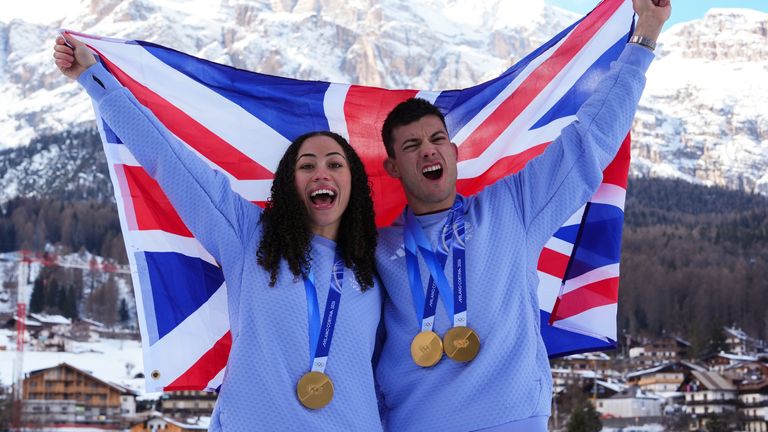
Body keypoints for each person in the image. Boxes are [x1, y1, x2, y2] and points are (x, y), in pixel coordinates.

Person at [53, 36, 384, 430]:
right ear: (288, 184)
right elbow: (169, 161)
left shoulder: (376, 268)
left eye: (335, 164)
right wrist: (95, 78)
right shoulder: (252, 238)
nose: (321, 173)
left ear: (355, 185)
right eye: (306, 165)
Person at [373, 1, 671, 431]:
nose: (429, 150)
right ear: (393, 167)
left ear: (454, 154)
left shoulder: (510, 208)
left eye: (438, 138)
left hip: (512, 418)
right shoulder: (375, 248)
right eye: (412, 145)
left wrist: (646, 33)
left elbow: (588, 140)